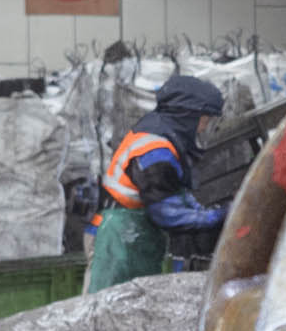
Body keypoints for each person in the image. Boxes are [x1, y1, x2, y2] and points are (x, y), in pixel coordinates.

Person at [85, 73, 226, 288]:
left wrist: (205, 211)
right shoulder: (155, 149)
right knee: (107, 311)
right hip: (116, 236)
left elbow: (176, 192)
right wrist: (220, 215)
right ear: (186, 116)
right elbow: (167, 213)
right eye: (203, 120)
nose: (204, 127)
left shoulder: (163, 134)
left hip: (131, 231)